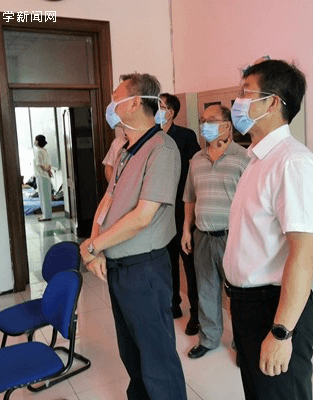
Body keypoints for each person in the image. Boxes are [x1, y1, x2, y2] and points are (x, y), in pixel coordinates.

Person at [222, 59, 313, 400]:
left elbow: (304, 252)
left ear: (272, 102)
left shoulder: (292, 162)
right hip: (249, 305)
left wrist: (281, 332)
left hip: (275, 308)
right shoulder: (257, 159)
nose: (237, 102)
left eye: (245, 93)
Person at [80, 73, 186, 400]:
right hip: (120, 268)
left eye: (116, 99)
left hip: (145, 270)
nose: (111, 105)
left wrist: (93, 246)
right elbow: (109, 198)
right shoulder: (127, 149)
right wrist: (96, 245)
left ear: (135, 102)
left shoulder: (161, 149)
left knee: (157, 358)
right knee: (132, 353)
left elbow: (142, 217)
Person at [181, 104, 249, 359]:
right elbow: (189, 197)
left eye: (211, 120)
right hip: (203, 236)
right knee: (206, 291)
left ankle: (242, 343)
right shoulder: (197, 159)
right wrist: (186, 230)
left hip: (233, 237)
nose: (204, 125)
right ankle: (209, 339)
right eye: (203, 120)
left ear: (227, 125)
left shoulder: (244, 158)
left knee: (238, 294)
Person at [159, 92, 202, 335]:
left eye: (160, 106)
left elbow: (194, 170)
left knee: (189, 264)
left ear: (171, 112)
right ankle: (173, 304)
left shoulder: (185, 136)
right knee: (166, 262)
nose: (156, 110)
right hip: (160, 209)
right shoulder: (152, 136)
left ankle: (196, 314)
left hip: (182, 206)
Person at [33, 134, 52, 222]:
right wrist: (49, 171)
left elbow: (40, 165)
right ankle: (47, 215)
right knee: (46, 197)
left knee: (43, 197)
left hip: (41, 176)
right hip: (46, 176)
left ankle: (46, 216)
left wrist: (46, 170)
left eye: (35, 140)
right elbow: (49, 164)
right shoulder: (45, 151)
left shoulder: (39, 151)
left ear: (37, 142)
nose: (34, 142)